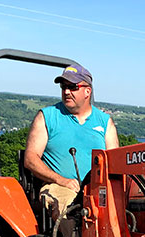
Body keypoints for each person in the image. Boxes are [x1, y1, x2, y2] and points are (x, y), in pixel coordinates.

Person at [24, 63, 119, 220]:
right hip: (58, 187)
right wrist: (61, 180)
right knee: (71, 210)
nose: (66, 91)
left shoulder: (104, 122)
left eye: (73, 87)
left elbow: (114, 162)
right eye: (63, 87)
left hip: (96, 189)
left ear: (87, 91)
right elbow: (30, 159)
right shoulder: (47, 117)